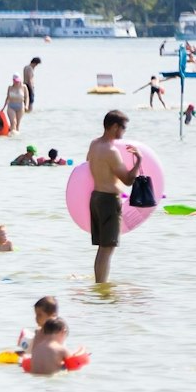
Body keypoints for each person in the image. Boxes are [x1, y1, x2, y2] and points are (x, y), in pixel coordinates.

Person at [87, 110, 145, 284]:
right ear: (114, 127)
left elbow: (88, 163)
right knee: (108, 248)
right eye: (123, 127)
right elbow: (128, 180)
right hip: (109, 200)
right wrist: (139, 160)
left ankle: (99, 285)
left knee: (102, 248)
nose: (124, 132)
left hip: (96, 197)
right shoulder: (111, 151)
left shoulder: (94, 144)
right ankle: (102, 286)